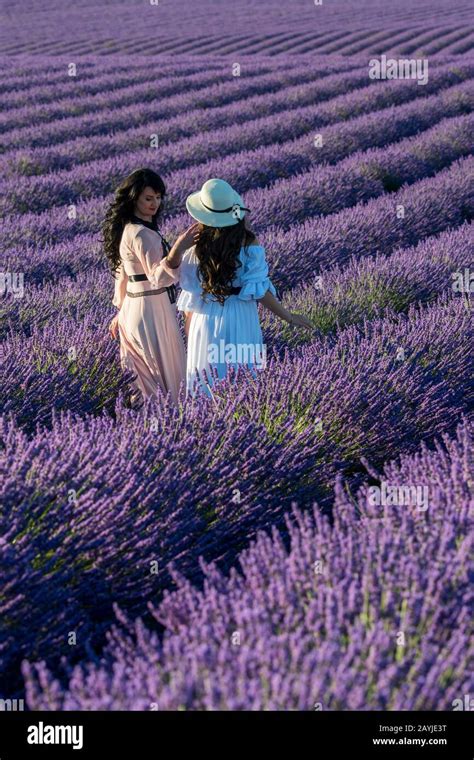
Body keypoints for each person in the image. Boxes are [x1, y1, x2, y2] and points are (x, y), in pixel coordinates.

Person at [176, 178, 315, 397]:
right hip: (240, 315)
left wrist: (190, 335)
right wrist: (288, 316)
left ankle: (205, 427)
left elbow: (190, 297)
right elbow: (259, 291)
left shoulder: (196, 245)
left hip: (204, 317)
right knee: (243, 378)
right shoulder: (248, 243)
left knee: (205, 380)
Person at [103, 167, 199, 408]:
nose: (155, 203)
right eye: (149, 198)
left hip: (135, 310)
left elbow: (122, 275)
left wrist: (121, 310)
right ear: (134, 198)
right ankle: (171, 427)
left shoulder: (129, 229)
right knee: (166, 374)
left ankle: (147, 430)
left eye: (158, 198)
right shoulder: (143, 234)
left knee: (145, 379)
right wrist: (179, 247)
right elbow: (157, 277)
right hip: (152, 311)